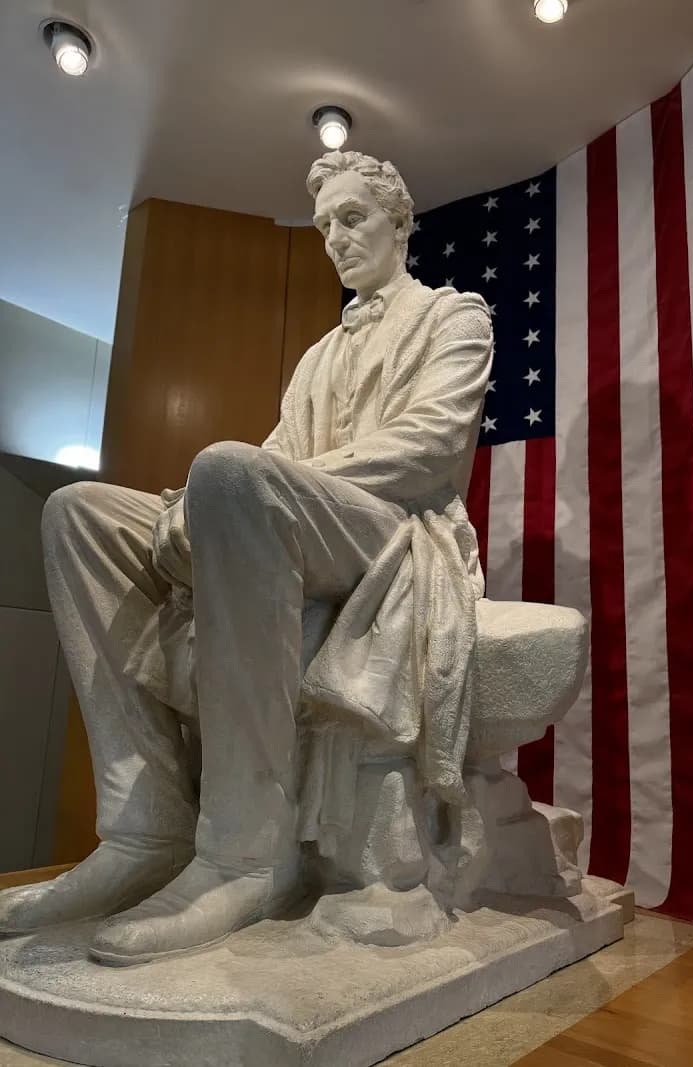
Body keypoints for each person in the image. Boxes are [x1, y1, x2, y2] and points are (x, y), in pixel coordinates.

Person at [0, 152, 493, 964]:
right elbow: (273, 456)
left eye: (354, 218)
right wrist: (192, 508)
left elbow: (428, 447)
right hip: (305, 514)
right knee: (79, 512)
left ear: (401, 222)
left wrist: (248, 487)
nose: (336, 239)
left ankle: (245, 851)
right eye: (325, 225)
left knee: (230, 472)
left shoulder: (454, 317)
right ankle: (146, 825)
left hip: (395, 530)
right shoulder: (317, 356)